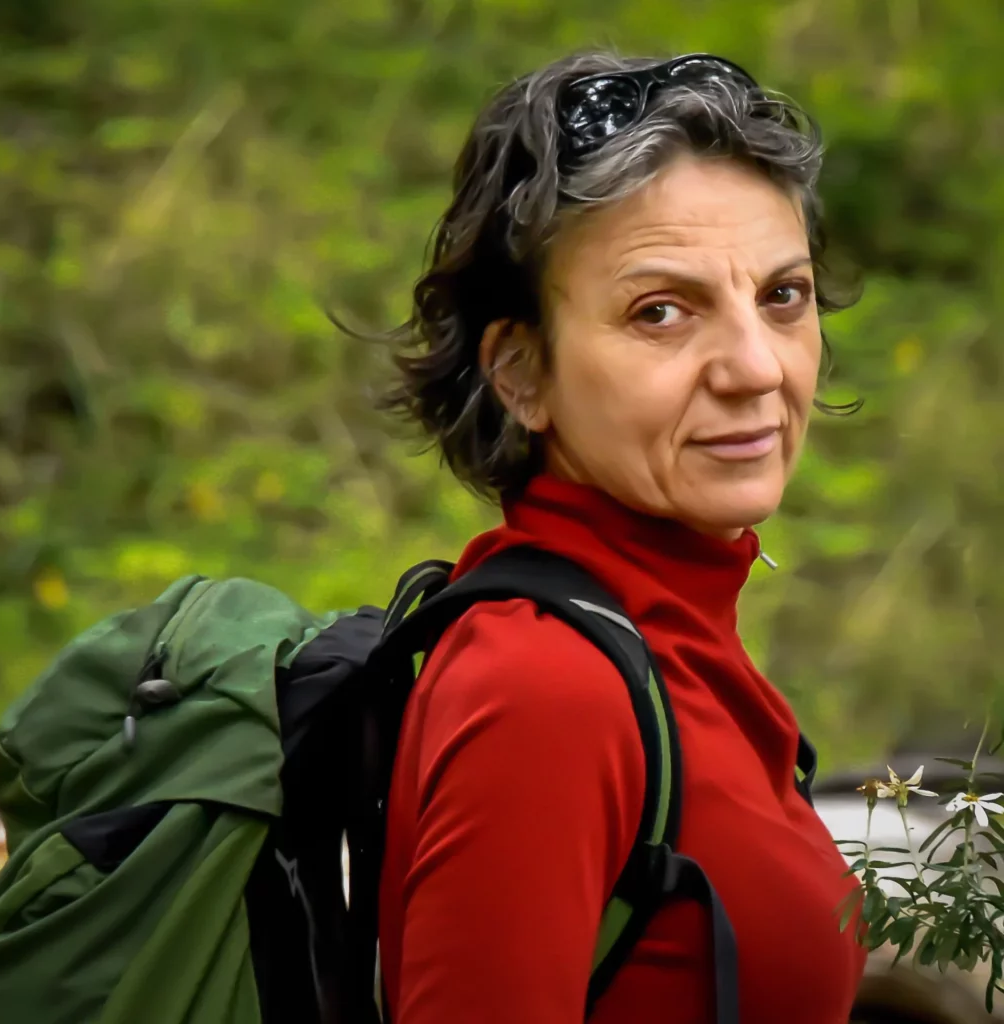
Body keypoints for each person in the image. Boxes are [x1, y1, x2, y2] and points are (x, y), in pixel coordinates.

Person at [375, 50, 867, 1023]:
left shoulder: (666, 635)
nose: (754, 368)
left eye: (781, 296)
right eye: (661, 311)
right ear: (521, 372)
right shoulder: (542, 690)